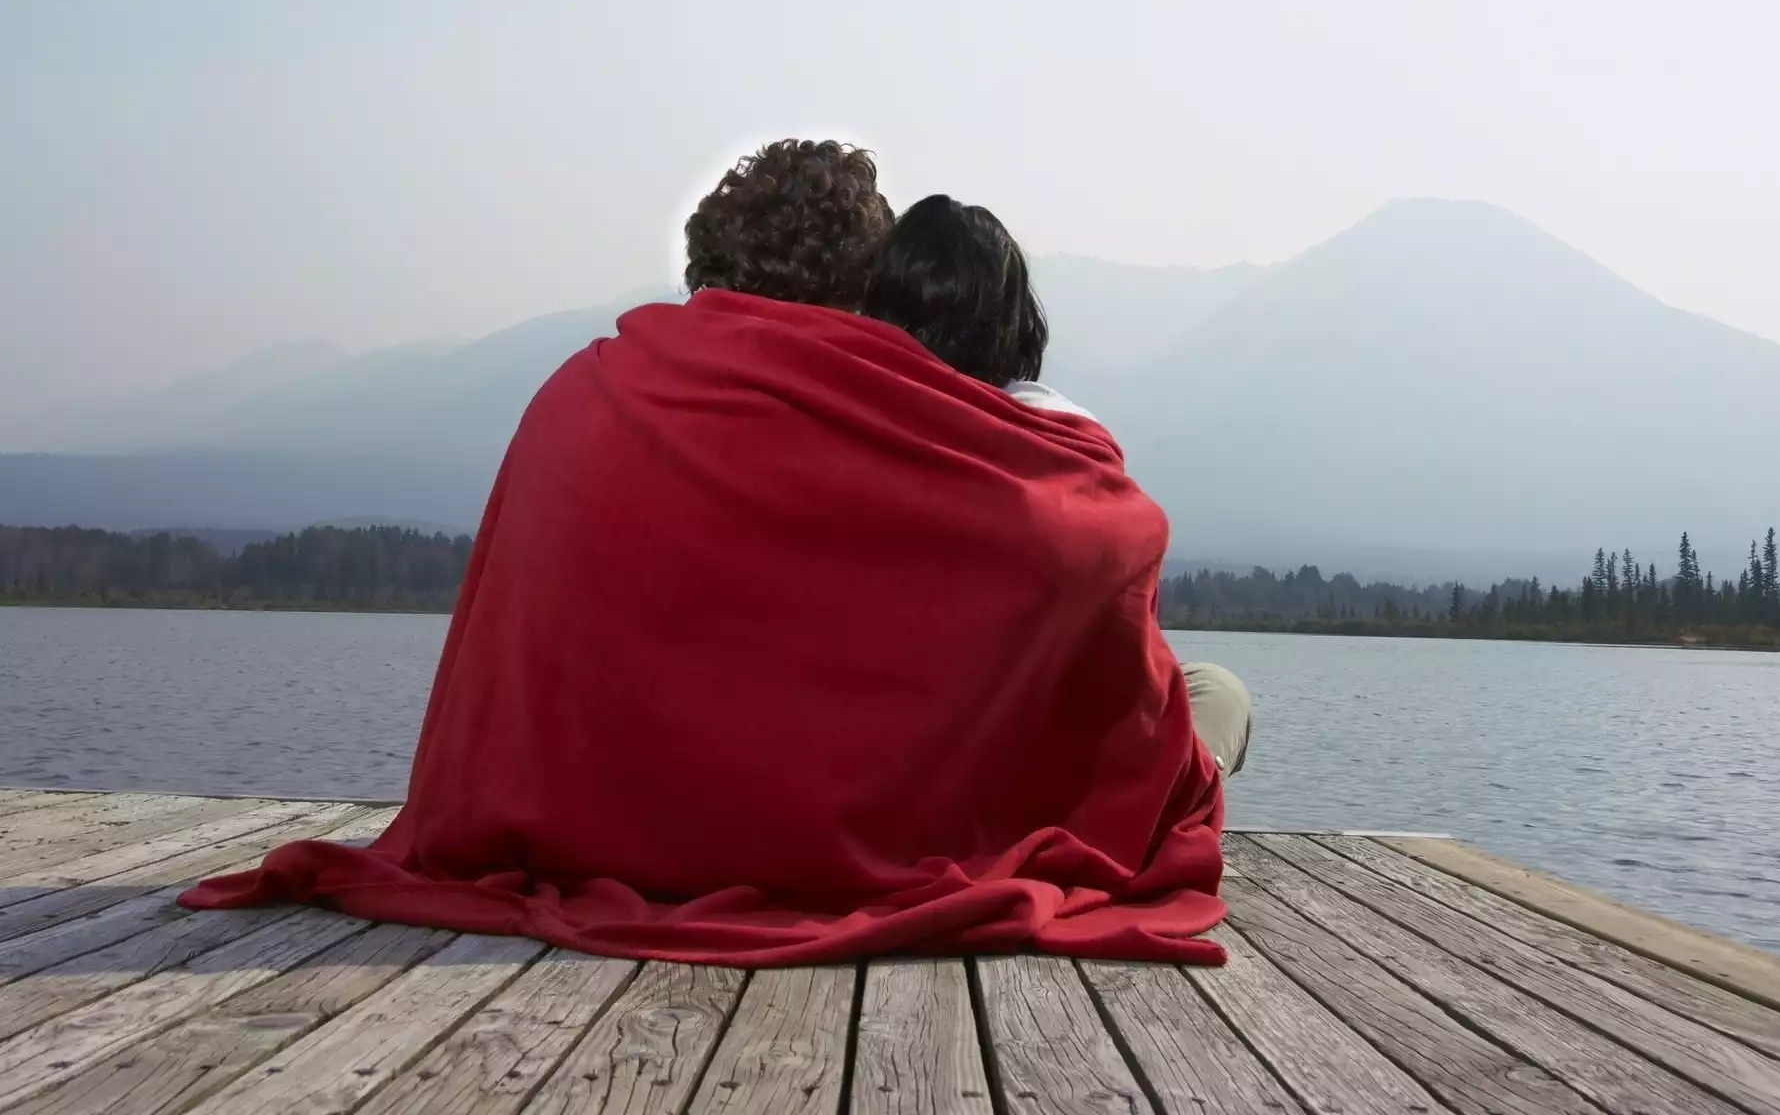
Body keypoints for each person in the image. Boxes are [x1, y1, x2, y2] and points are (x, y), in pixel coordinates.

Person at [180, 139, 1234, 966]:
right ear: (861, 292)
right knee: (1207, 697)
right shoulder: (905, 435)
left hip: (573, 837)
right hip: (837, 836)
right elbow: (1107, 539)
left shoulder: (583, 391)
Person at [862, 193, 1253, 780]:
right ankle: (1181, 802)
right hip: (1028, 773)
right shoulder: (1073, 453)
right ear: (1014, 321)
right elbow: (1128, 661)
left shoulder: (849, 424)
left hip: (892, 754)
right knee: (1219, 691)